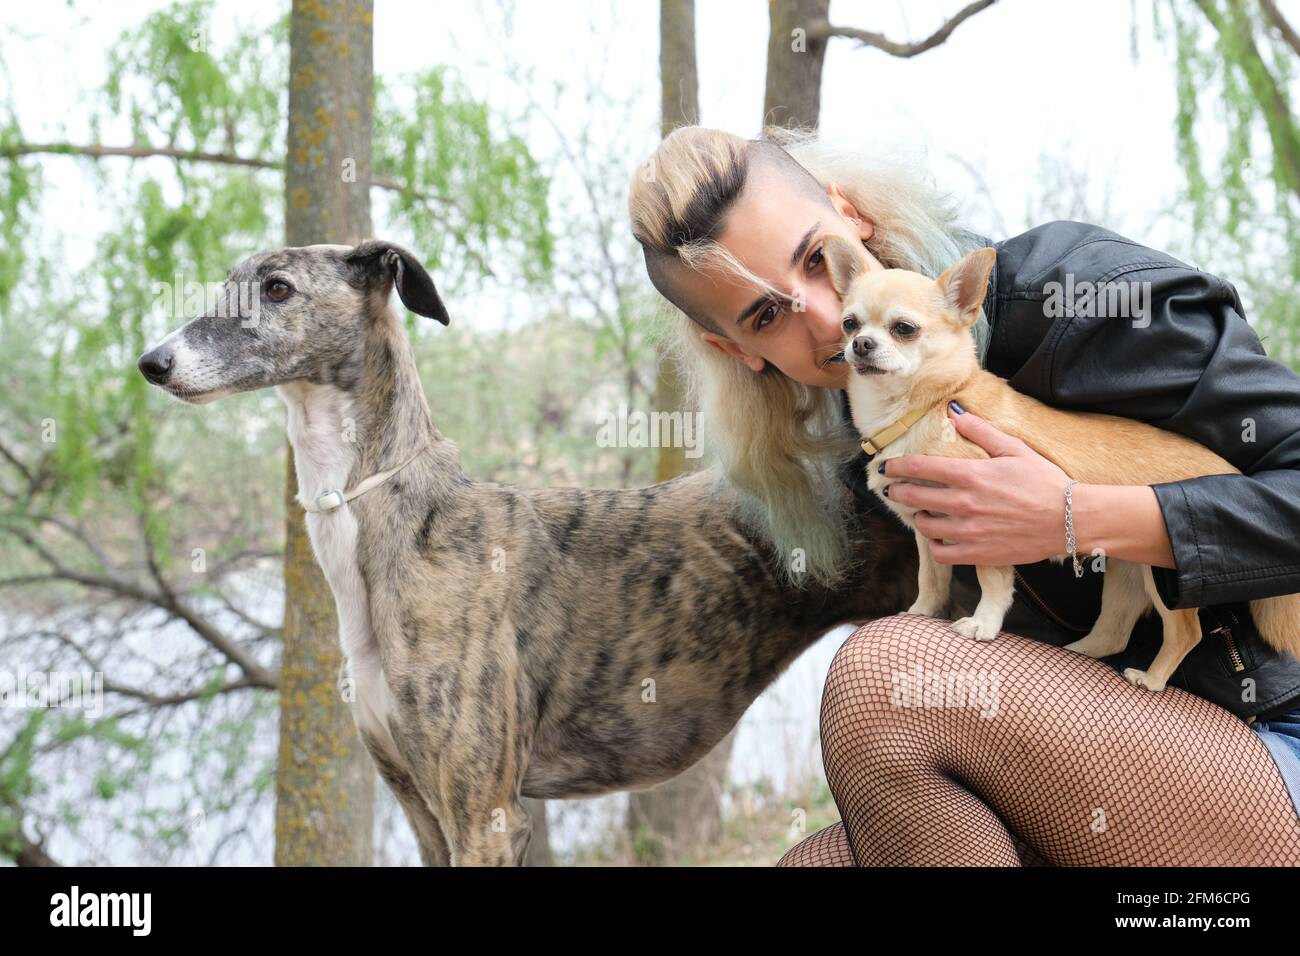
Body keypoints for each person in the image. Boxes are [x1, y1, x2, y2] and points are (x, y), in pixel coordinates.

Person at [626, 125, 1300, 865]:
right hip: (1118, 757)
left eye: (818, 261)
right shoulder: (862, 437)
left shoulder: (1086, 298)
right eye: (766, 315)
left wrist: (1076, 517)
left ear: (851, 218)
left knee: (885, 678)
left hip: (1270, 729)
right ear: (735, 349)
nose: (823, 319)